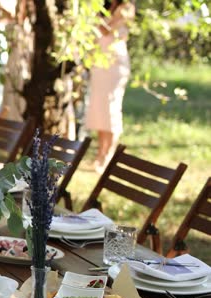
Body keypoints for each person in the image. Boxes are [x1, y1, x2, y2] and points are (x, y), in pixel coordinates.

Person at [86, 0, 135, 173]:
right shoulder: (106, 8)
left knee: (111, 108)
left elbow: (106, 29)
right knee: (99, 109)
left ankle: (109, 155)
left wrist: (92, 13)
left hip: (115, 64)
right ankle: (100, 152)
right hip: (100, 64)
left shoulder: (126, 8)